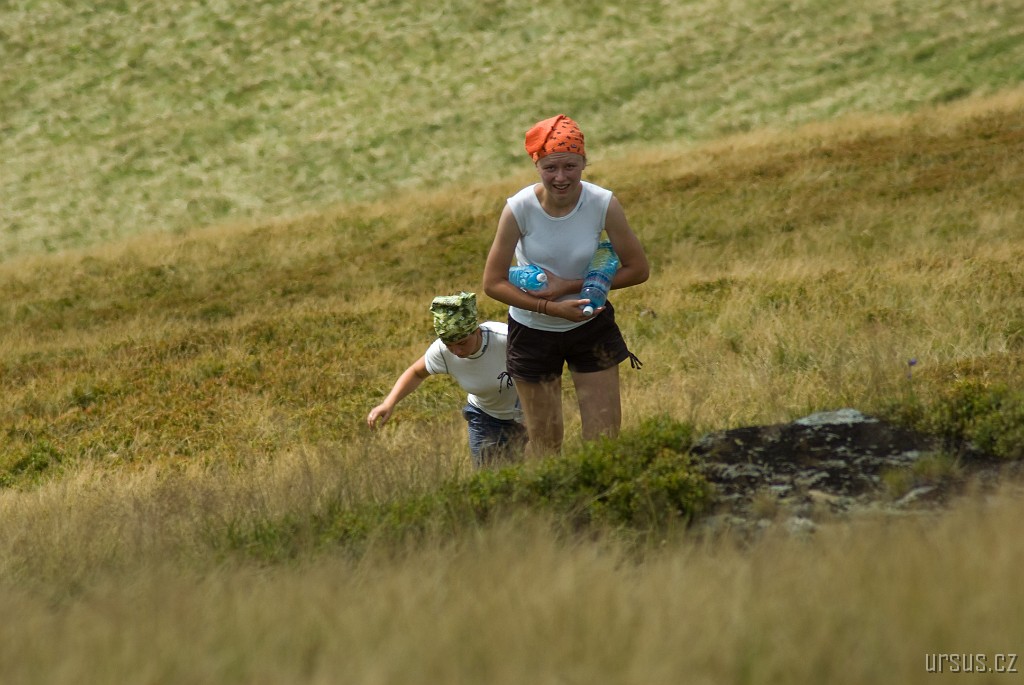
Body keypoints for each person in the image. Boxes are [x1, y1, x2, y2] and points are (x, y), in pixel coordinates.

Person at [482, 114, 649, 456]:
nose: (561, 177)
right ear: (537, 166)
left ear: (584, 162)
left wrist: (568, 286)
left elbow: (638, 270)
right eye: (551, 168)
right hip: (532, 333)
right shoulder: (518, 209)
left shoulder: (603, 203)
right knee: (546, 445)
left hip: (591, 325)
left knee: (604, 441)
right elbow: (492, 283)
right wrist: (549, 307)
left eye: (570, 166)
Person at [367, 292, 526, 467]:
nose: (456, 351)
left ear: (476, 331)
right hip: (486, 419)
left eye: (462, 343)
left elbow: (542, 370)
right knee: (489, 476)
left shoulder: (505, 338)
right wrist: (388, 403)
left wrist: (535, 414)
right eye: (449, 345)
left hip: (529, 414)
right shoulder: (442, 352)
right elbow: (416, 372)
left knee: (534, 470)